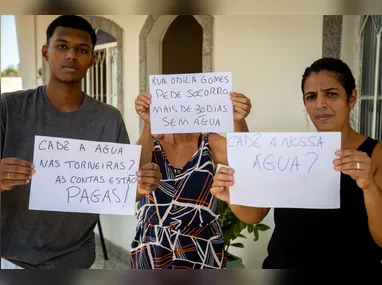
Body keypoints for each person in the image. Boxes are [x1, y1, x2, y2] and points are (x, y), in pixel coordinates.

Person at [0, 15, 161, 269]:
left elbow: (124, 187)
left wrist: (142, 186)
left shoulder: (108, 118)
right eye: (62, 46)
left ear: (92, 60)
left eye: (82, 49)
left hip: (76, 261)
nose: (71, 55)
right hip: (9, 259)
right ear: (46, 52)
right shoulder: (8, 108)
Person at [210, 57, 382, 268]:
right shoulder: (290, 153)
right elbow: (255, 215)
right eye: (311, 97)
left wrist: (369, 187)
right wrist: (231, 196)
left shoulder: (375, 154)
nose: (320, 104)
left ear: (352, 98)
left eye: (331, 94)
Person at [130, 91, 252, 269]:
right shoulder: (151, 143)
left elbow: (246, 159)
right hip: (152, 246)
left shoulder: (207, 141)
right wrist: (149, 123)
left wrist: (238, 120)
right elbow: (132, 180)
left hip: (202, 246)